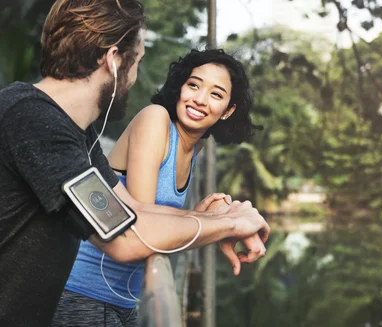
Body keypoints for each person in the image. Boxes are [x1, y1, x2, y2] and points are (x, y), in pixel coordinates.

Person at [0, 1, 269, 326]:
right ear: (114, 61)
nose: (136, 75)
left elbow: (126, 210)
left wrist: (210, 217)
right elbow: (123, 237)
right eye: (137, 61)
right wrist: (231, 224)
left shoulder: (74, 132)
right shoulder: (36, 122)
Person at [53, 48, 263, 326]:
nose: (199, 99)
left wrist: (214, 219)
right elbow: (142, 224)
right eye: (193, 85)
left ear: (228, 110)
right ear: (179, 88)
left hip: (124, 300)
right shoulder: (155, 120)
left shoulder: (193, 149)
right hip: (82, 294)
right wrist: (224, 223)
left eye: (216, 94)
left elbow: (162, 238)